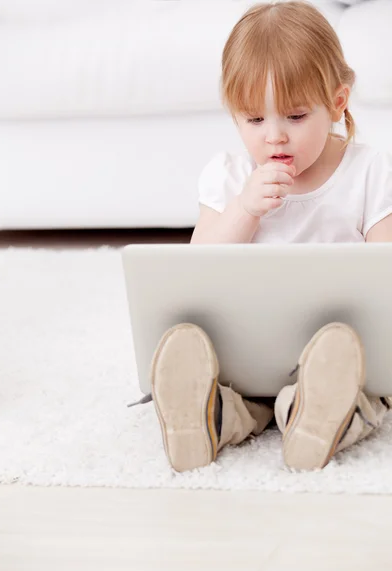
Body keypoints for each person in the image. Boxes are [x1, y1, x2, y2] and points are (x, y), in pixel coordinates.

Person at [132, 1, 392, 472]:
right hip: (246, 370)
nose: (274, 138)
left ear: (338, 102)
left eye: (294, 117)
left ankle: (311, 417)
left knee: (361, 389)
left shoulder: (370, 171)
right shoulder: (228, 177)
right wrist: (245, 209)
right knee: (228, 388)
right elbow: (194, 274)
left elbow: (387, 277)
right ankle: (206, 416)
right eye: (254, 120)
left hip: (336, 363)